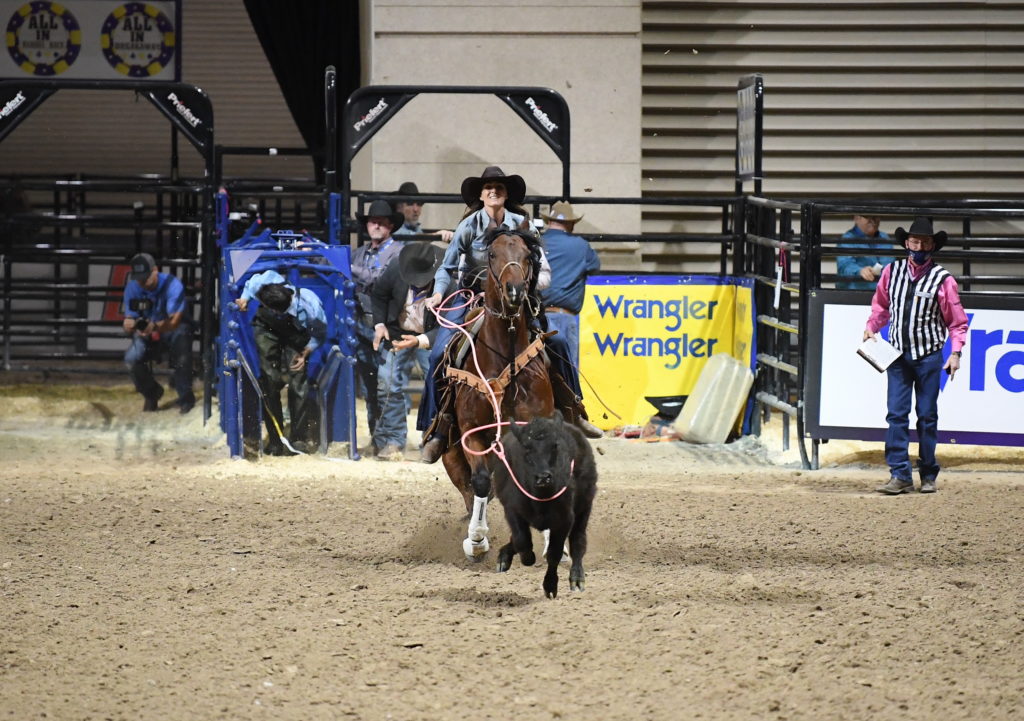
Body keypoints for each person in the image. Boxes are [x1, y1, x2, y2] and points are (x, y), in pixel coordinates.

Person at [418, 166, 602, 464]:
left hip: (520, 301)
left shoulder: (524, 227)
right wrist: (438, 293)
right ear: (480, 195)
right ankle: (437, 428)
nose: (494, 191)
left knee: (558, 346)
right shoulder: (468, 226)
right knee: (439, 352)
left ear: (506, 195)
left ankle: (574, 411)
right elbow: (447, 267)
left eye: (499, 187)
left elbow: (542, 270)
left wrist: (526, 286)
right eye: (488, 187)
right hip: (475, 298)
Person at [863, 217, 968, 495]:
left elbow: (956, 321)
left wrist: (955, 352)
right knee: (896, 414)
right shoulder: (891, 271)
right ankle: (900, 473)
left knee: (927, 415)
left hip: (929, 356)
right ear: (907, 243)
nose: (918, 246)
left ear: (932, 245)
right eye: (914, 241)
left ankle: (928, 472)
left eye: (924, 242)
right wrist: (870, 327)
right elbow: (881, 307)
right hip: (896, 354)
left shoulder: (943, 280)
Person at [369, 242, 445, 461]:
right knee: (387, 384)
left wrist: (420, 340)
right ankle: (393, 440)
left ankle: (432, 439)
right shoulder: (395, 270)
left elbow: (451, 320)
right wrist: (379, 324)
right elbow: (379, 295)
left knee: (438, 386)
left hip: (430, 336)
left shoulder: (446, 282)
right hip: (397, 332)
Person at [236, 273, 327, 456]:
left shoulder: (311, 306)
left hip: (296, 332)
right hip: (266, 328)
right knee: (269, 380)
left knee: (298, 381)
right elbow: (251, 283)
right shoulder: (267, 282)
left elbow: (319, 333)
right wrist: (244, 299)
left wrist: (306, 352)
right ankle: (275, 439)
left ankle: (298, 438)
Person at [351, 199, 405, 456]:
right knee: (371, 386)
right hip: (363, 326)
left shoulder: (397, 252)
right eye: (373, 221)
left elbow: (377, 279)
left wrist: (345, 268)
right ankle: (378, 438)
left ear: (391, 226)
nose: (376, 225)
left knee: (388, 383)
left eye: (382, 222)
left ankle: (393, 439)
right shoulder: (359, 254)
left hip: (391, 326)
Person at [392, 181, 454, 390]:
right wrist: (435, 236)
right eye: (410, 203)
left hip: (416, 313)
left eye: (419, 204)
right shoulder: (397, 231)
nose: (416, 208)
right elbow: (408, 254)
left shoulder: (414, 230)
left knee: (421, 370)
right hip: (403, 309)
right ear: (399, 206)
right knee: (397, 376)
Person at [122, 252, 195, 414]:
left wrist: (153, 327)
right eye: (139, 279)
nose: (143, 283)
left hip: (172, 330)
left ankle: (186, 397)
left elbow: (175, 321)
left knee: (182, 345)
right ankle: (152, 393)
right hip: (149, 332)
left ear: (155, 271)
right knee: (131, 359)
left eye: (146, 277)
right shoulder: (133, 287)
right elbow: (130, 317)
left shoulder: (172, 285)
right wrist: (130, 325)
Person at [539, 200, 601, 369]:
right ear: (571, 224)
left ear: (549, 221)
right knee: (568, 373)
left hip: (537, 318)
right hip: (564, 317)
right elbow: (595, 268)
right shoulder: (581, 246)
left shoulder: (537, 243)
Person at [837, 214, 896, 290]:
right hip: (853, 294)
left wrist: (883, 270)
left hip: (880, 294)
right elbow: (844, 266)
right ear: (856, 218)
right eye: (868, 216)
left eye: (876, 216)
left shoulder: (885, 238)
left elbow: (889, 264)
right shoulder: (846, 239)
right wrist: (860, 271)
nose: (873, 220)